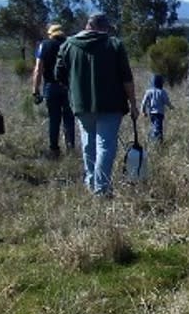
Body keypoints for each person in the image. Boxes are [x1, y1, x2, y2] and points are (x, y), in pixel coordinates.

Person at [55, 13, 136, 197]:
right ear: (104, 28)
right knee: (105, 146)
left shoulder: (68, 45)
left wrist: (75, 87)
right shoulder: (114, 45)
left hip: (81, 104)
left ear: (87, 26)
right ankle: (101, 189)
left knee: (88, 144)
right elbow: (127, 78)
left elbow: (59, 74)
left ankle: (92, 182)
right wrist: (133, 103)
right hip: (110, 104)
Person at [32, 24, 76, 158]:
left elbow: (39, 69)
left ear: (50, 34)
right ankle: (70, 148)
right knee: (69, 119)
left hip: (51, 86)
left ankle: (54, 149)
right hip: (69, 87)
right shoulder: (71, 45)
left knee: (54, 119)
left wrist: (35, 90)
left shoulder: (44, 45)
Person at [140, 73, 172, 141]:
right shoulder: (162, 92)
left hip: (151, 113)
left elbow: (144, 102)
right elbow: (166, 101)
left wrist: (143, 111)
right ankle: (157, 141)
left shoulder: (148, 91)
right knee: (158, 127)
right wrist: (171, 107)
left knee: (154, 125)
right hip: (159, 113)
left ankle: (153, 139)